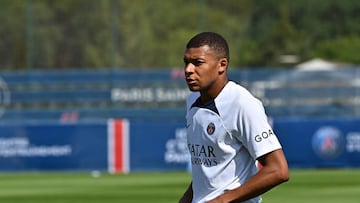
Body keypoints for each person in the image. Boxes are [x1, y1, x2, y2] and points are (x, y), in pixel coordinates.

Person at [179, 32, 289, 203]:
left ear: (222, 65)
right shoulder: (192, 100)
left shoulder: (242, 104)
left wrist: (221, 201)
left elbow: (278, 170)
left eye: (198, 63)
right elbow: (208, 174)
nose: (188, 70)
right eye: (186, 63)